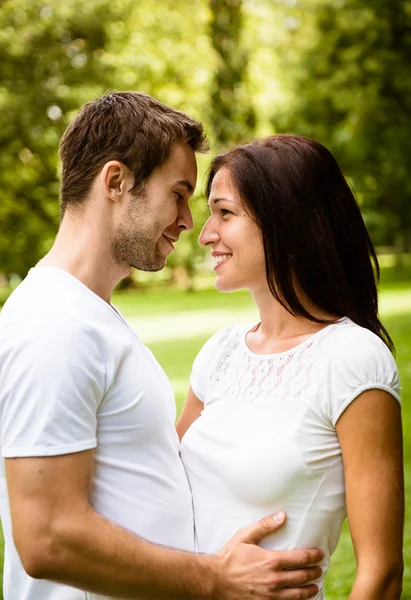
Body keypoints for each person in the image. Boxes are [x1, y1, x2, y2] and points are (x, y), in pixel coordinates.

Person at [0, 94, 324, 600]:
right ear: (115, 182)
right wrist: (216, 579)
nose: (189, 222)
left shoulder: (88, 315)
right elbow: (47, 538)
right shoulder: (55, 325)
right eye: (178, 194)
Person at [177, 134, 404, 599]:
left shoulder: (352, 359)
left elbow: (380, 574)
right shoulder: (219, 354)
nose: (205, 234)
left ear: (284, 222)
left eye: (225, 213)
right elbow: (163, 490)